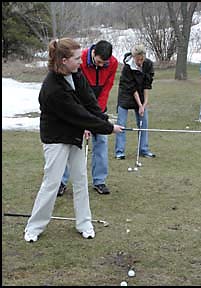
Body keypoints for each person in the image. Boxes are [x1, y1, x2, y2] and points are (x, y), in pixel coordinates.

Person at [24, 38, 123, 243]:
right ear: (63, 60)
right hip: (56, 138)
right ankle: (34, 227)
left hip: (75, 133)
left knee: (80, 180)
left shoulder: (76, 74)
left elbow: (89, 102)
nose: (81, 61)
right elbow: (78, 114)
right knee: (51, 183)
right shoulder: (52, 88)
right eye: (77, 58)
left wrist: (103, 119)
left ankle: (84, 223)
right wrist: (107, 128)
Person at [58, 40, 118, 196]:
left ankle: (99, 181)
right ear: (93, 53)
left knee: (101, 142)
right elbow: (78, 90)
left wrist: (98, 114)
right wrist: (84, 120)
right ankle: (61, 181)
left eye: (104, 63)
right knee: (69, 142)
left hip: (97, 106)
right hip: (78, 104)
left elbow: (107, 88)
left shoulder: (112, 63)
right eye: (98, 62)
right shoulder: (81, 59)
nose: (100, 65)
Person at [115, 44, 155, 159]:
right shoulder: (127, 67)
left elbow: (147, 85)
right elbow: (132, 88)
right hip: (126, 95)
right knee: (121, 124)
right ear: (133, 57)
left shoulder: (148, 65)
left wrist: (144, 104)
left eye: (142, 59)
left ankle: (144, 149)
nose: (140, 62)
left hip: (141, 95)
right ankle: (120, 152)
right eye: (138, 60)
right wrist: (139, 105)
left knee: (144, 123)